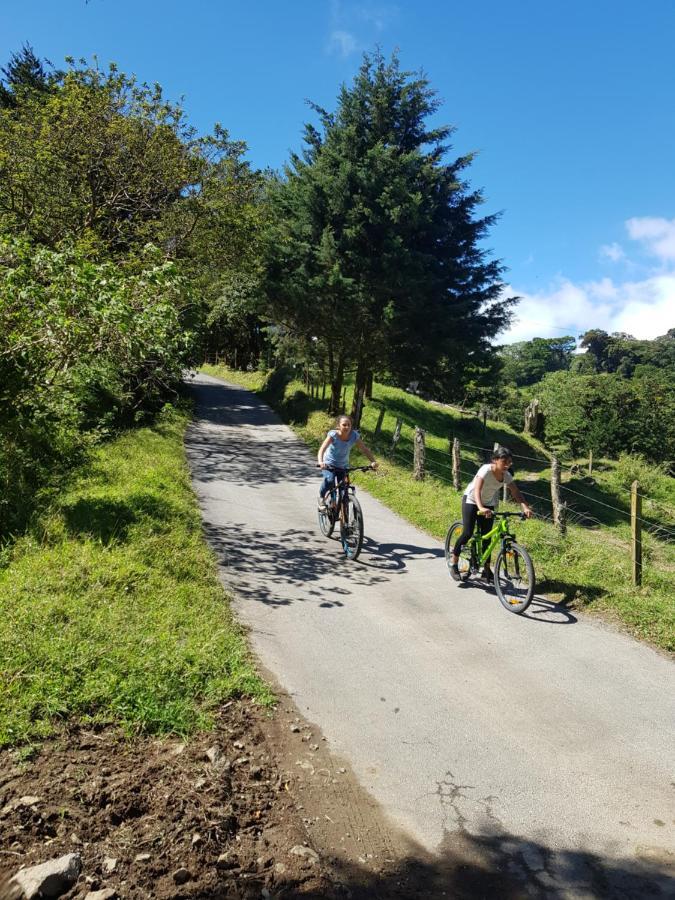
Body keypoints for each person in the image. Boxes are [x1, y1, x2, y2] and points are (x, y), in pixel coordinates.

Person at [449, 445, 533, 581]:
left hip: (488, 503)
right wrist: (480, 507)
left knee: (487, 537)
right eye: (504, 462)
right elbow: (477, 489)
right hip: (471, 500)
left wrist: (525, 507)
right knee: (467, 532)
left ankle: (486, 570)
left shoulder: (506, 475)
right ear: (495, 460)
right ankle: (454, 562)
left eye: (509, 462)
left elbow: (516, 492)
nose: (507, 465)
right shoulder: (485, 470)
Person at [317, 415, 377, 510]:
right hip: (329, 463)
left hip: (343, 465)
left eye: (349, 425)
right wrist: (321, 462)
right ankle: (321, 497)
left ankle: (344, 515)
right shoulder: (333, 435)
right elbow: (322, 449)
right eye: (344, 425)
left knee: (344, 489)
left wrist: (373, 461)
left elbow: (364, 449)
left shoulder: (354, 436)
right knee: (329, 480)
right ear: (338, 426)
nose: (347, 427)